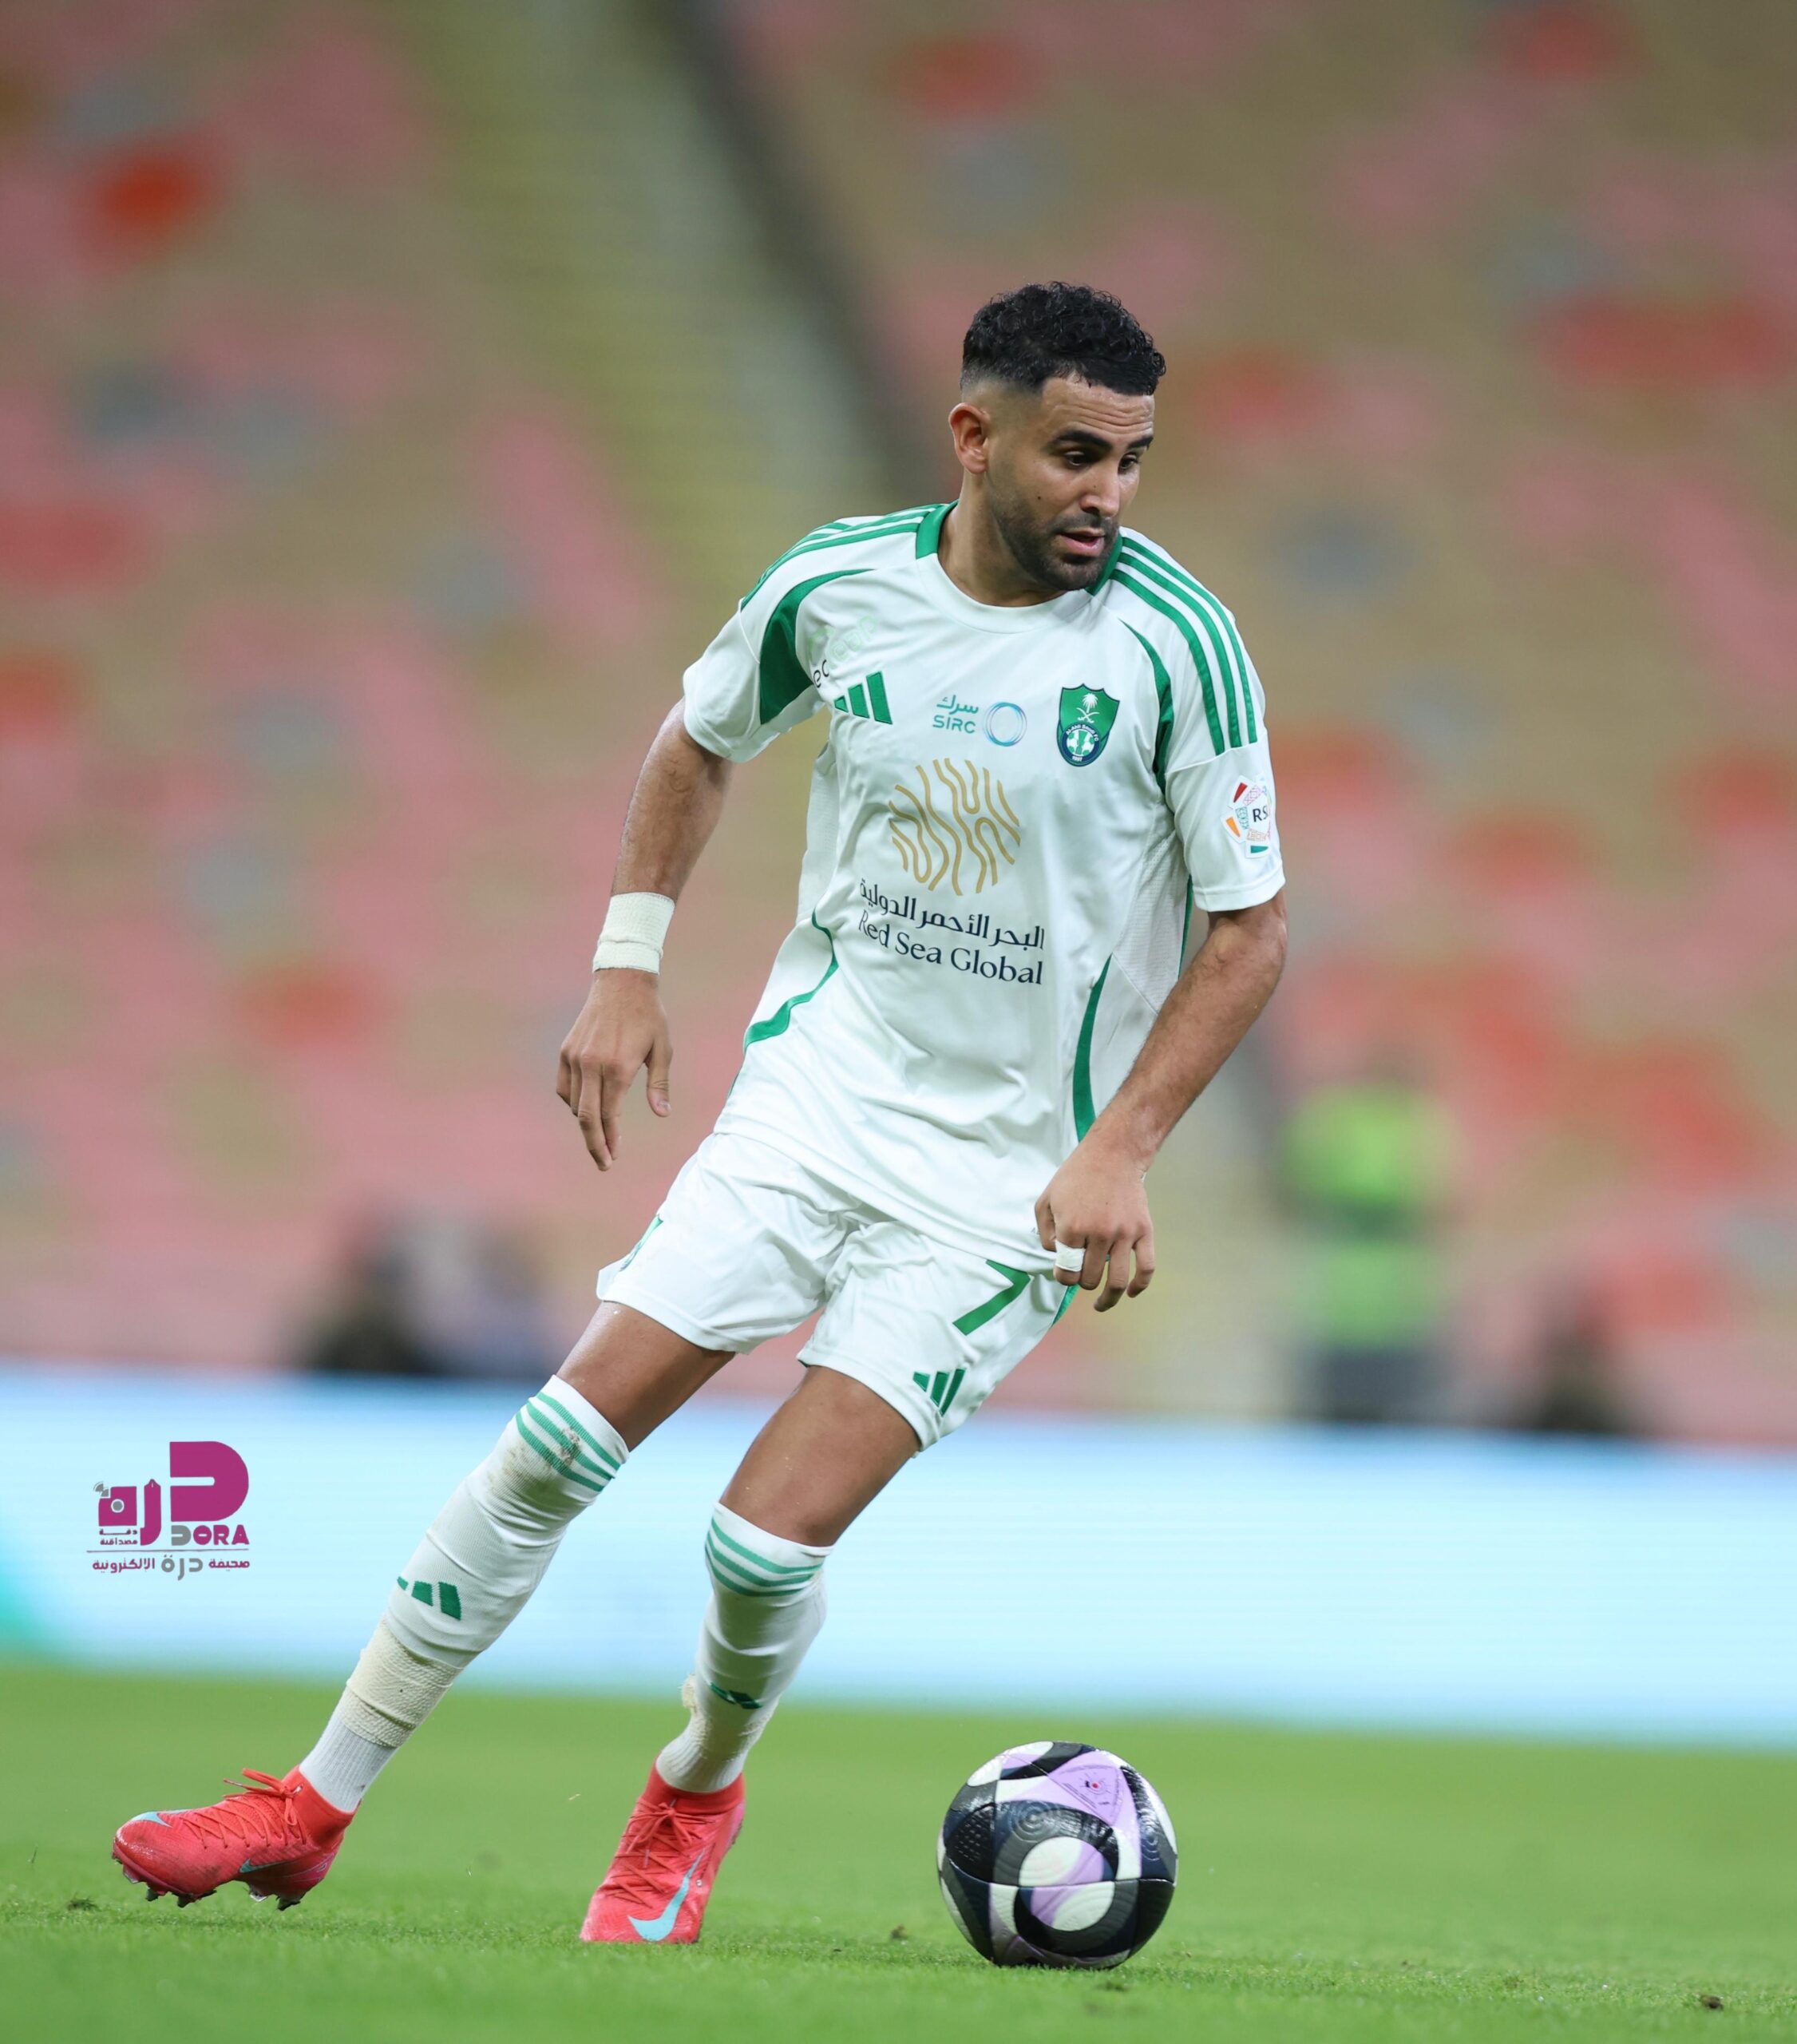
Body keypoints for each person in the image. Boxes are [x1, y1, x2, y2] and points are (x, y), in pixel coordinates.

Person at [110, 283, 1289, 1941]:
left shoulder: (1179, 646)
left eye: (1132, 460)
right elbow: (699, 737)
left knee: (757, 1549)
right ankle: (311, 1801)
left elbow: (1251, 929)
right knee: (555, 1442)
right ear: (974, 436)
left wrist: (1122, 1148)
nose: (1110, 493)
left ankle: (693, 1791)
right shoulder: (837, 588)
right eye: (1075, 454)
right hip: (813, 1105)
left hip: (1004, 1185)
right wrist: (626, 963)